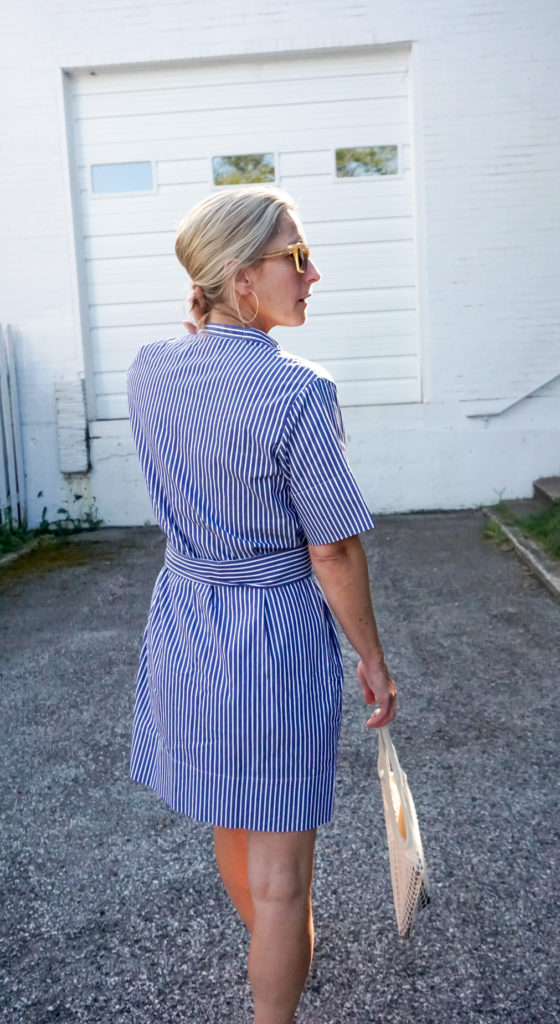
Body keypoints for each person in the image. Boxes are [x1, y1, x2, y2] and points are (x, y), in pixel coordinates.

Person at [127, 185, 397, 1024]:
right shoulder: (298, 392)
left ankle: (273, 957)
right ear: (243, 279)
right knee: (285, 887)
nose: (314, 274)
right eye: (298, 257)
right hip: (268, 640)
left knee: (231, 817)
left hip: (184, 623)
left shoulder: (149, 367)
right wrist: (373, 657)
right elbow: (332, 548)